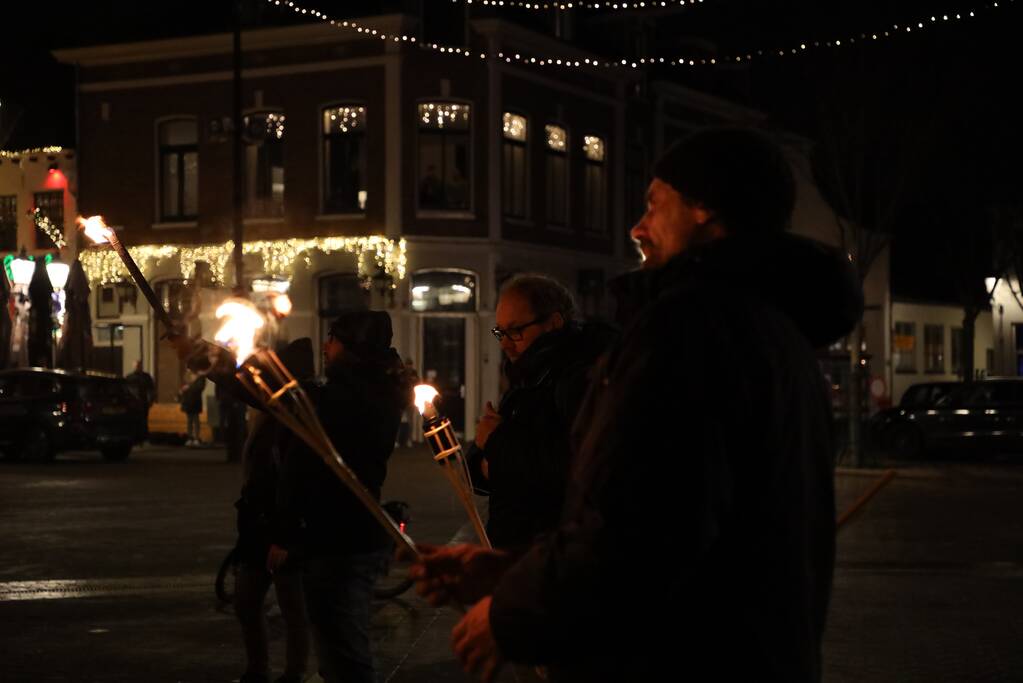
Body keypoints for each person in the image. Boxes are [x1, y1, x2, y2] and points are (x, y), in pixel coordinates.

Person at [411, 126, 864, 682]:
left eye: (654, 203)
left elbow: (640, 532)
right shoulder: (772, 333)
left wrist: (510, 615)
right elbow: (685, 520)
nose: (637, 227)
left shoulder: (691, 331)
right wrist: (511, 568)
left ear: (703, 207)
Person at [269, 311, 413, 683]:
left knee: (342, 651)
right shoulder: (377, 391)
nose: (325, 345)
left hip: (336, 536)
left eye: (333, 337)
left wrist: (285, 530)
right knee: (342, 644)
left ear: (350, 348)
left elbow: (303, 467)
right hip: (353, 532)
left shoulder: (341, 400)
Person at [466, 274, 616, 551]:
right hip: (518, 546)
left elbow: (573, 469)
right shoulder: (529, 374)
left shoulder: (580, 377)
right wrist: (481, 459)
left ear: (554, 323)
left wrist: (495, 445)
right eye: (500, 332)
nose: (505, 344)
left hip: (550, 551)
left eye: (515, 331)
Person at [232, 339, 314, 683]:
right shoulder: (268, 411)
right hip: (258, 523)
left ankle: (293, 674)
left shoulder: (298, 419)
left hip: (283, 527)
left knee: (292, 604)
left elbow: (297, 482)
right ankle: (258, 669)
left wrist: (286, 536)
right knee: (246, 599)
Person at [125, 360, 155, 441]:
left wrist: (150, 400)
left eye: (139, 366)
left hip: (143, 402)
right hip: (133, 402)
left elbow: (151, 389)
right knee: (134, 419)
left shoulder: (146, 377)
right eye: (136, 366)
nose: (137, 367)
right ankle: (136, 435)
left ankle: (144, 436)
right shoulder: (129, 377)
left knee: (144, 419)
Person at [178, 369, 206, 447]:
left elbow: (200, 387)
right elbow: (183, 385)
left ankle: (196, 438)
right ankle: (190, 438)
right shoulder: (188, 375)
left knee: (196, 419)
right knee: (189, 420)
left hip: (195, 400)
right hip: (188, 400)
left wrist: (188, 388)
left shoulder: (200, 376)